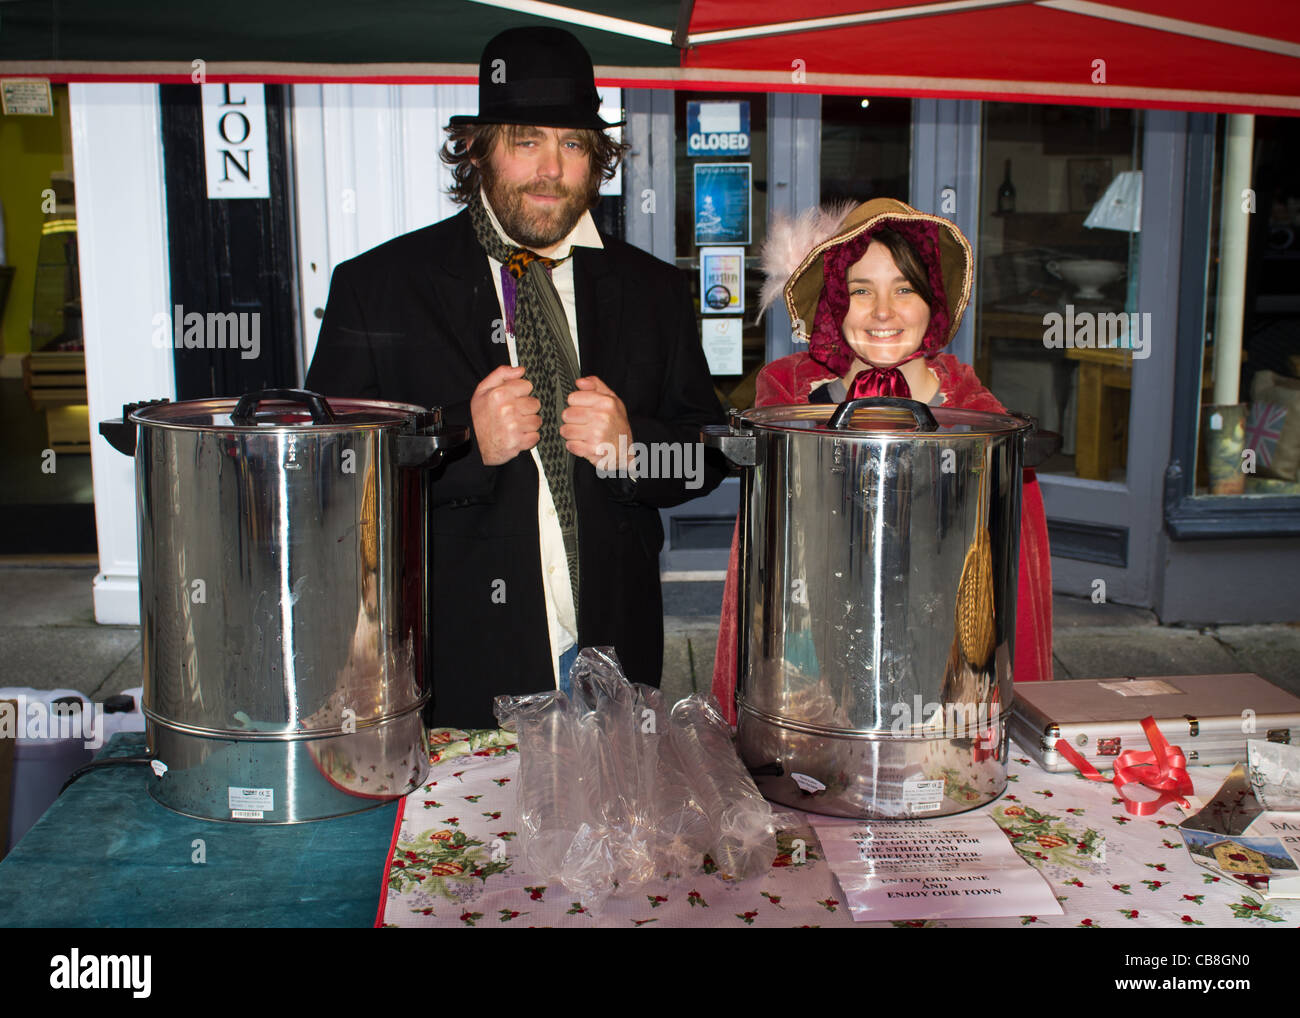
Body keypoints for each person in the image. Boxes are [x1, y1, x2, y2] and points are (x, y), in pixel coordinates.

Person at [306, 27, 725, 728]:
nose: (551, 170)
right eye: (526, 139)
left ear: (599, 159)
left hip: (616, 664)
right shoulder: (376, 289)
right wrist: (461, 445)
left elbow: (704, 457)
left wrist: (634, 446)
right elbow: (331, 487)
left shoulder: (652, 291)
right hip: (460, 669)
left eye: (574, 144)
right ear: (477, 147)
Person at [712, 197, 1054, 724]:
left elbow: (1006, 582)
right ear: (833, 305)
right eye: (860, 291)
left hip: (940, 677)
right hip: (813, 664)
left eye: (905, 289)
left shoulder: (980, 419)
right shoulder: (788, 404)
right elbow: (767, 569)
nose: (883, 313)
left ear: (931, 304)